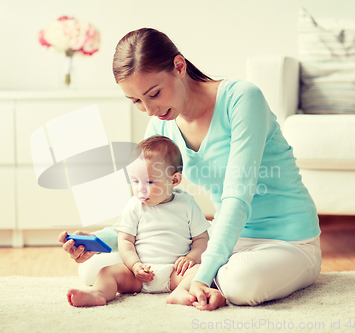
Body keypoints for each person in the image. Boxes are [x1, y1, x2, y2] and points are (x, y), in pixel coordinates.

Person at [60, 27, 321, 310]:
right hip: (223, 237)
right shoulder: (162, 124)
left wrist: (202, 272)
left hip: (287, 240)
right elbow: (150, 203)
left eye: (154, 93)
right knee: (93, 268)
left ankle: (205, 282)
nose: (149, 109)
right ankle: (199, 282)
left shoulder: (242, 99)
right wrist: (97, 240)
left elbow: (237, 198)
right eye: (136, 101)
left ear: (179, 66)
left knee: (240, 284)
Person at [65, 135, 211, 307]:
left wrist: (192, 258)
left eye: (149, 181)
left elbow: (202, 239)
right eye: (135, 181)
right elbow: (125, 241)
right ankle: (98, 294)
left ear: (174, 180)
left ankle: (181, 291)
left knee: (202, 271)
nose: (140, 188)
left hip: (175, 272)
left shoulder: (187, 204)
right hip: (137, 274)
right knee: (106, 272)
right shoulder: (134, 205)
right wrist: (135, 266)